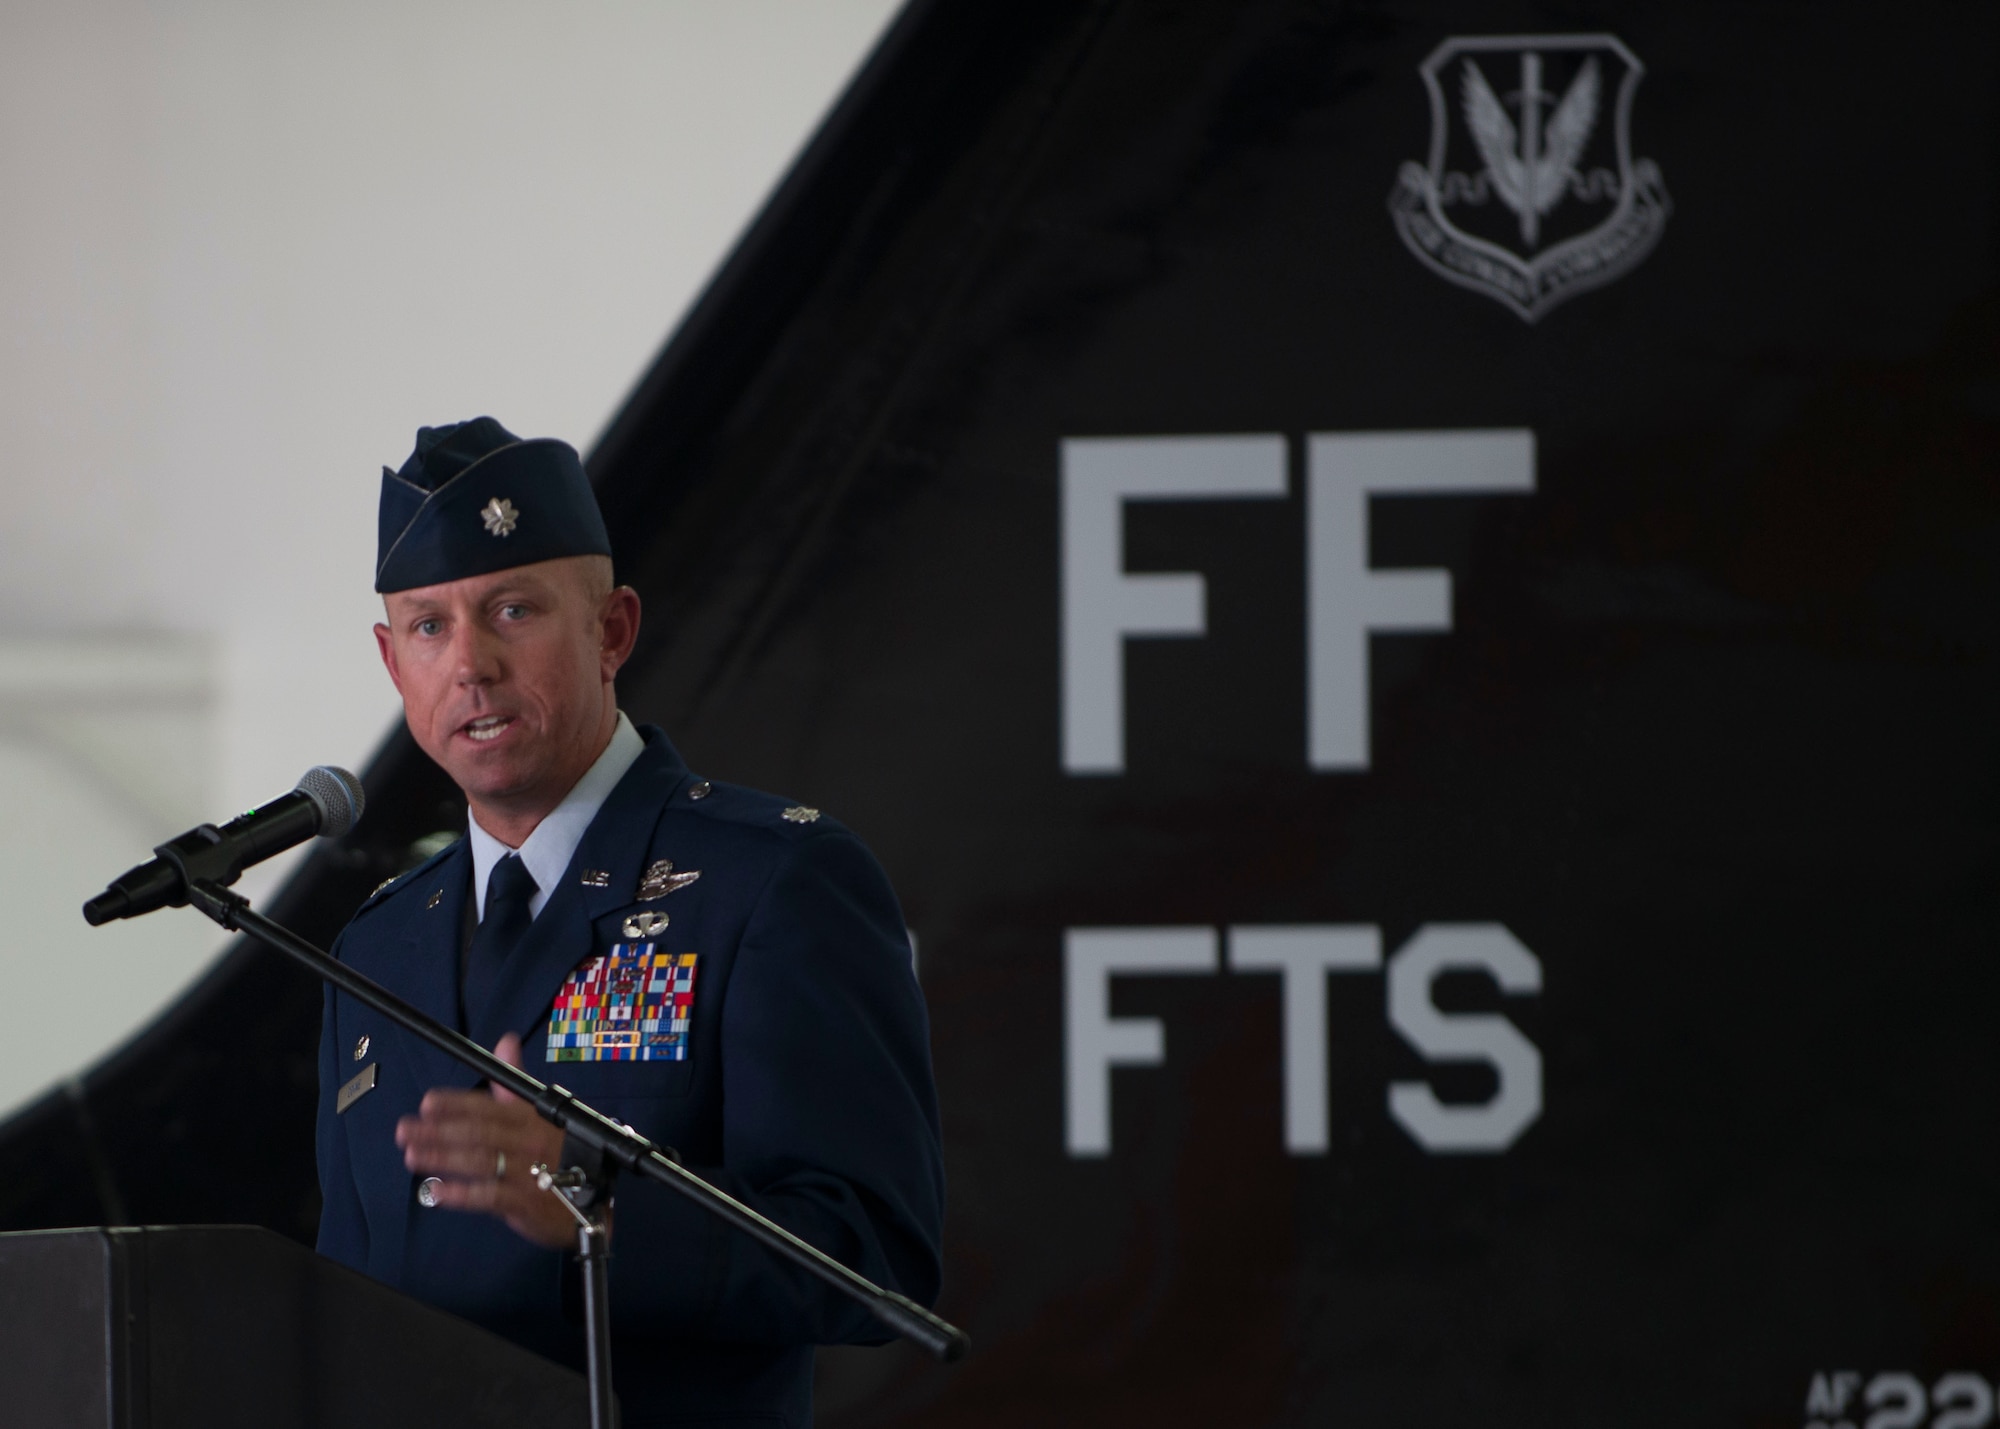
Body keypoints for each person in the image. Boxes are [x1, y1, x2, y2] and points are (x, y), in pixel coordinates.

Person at [315, 417, 944, 1428]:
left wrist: (594, 1207)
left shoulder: (774, 880)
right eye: (428, 626)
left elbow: (873, 1258)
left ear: (611, 630)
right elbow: (342, 1299)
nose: (468, 663)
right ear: (393, 665)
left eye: (511, 609)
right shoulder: (377, 944)